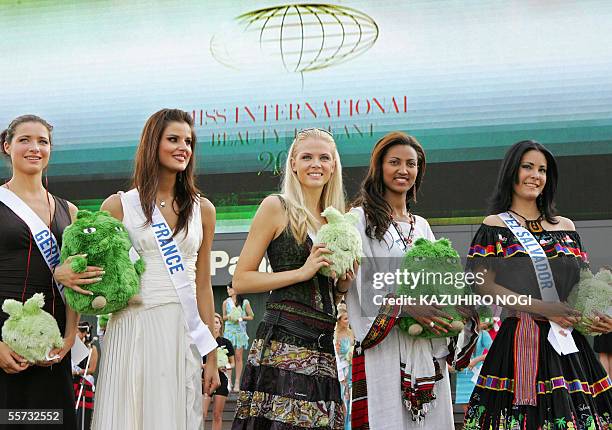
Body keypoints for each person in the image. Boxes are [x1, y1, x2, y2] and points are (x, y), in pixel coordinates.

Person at [463, 140, 612, 429]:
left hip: (569, 345)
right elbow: (482, 284)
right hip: (519, 340)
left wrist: (601, 317)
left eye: (542, 169)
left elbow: (582, 286)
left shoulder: (566, 227)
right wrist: (542, 307)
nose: (536, 175)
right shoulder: (496, 225)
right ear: (512, 172)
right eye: (527, 167)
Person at [92, 109, 219, 430]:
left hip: (182, 331)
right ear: (153, 144)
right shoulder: (119, 206)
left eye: (188, 141)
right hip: (133, 326)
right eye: (173, 139)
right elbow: (99, 275)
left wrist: (212, 356)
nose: (183, 148)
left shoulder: (203, 210)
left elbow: (203, 285)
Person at [345, 131, 478, 429]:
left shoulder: (423, 226)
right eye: (395, 162)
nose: (403, 170)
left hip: (426, 348)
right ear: (379, 167)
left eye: (411, 163)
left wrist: (450, 308)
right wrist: (407, 306)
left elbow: (439, 279)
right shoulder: (359, 219)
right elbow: (360, 282)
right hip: (384, 348)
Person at [231, 128, 353, 429]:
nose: (316, 164)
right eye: (307, 157)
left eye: (324, 158)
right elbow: (242, 279)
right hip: (284, 338)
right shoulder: (276, 207)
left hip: (323, 346)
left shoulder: (334, 218)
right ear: (293, 164)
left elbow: (330, 292)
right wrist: (301, 272)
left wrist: (343, 284)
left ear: (333, 166)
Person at [0, 115, 103, 430]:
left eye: (42, 141)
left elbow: (74, 279)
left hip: (52, 349)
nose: (35, 148)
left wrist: (70, 336)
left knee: (49, 422)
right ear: (7, 146)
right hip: (5, 345)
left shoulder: (69, 210)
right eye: (24, 140)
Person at [203, 313, 235, 430]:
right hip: (205, 379)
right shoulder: (203, 342)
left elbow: (232, 363)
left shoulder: (226, 343)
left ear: (221, 325)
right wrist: (211, 366)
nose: (214, 325)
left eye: (217, 322)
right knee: (202, 414)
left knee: (217, 415)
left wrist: (224, 365)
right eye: (212, 322)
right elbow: (197, 363)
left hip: (222, 379)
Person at [222, 282, 253, 392]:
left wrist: (241, 317)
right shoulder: (226, 302)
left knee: (238, 357)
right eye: (227, 289)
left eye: (229, 288)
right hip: (229, 331)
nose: (228, 291)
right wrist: (230, 317)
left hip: (240, 332)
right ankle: (228, 381)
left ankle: (237, 382)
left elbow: (251, 316)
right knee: (228, 356)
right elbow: (223, 317)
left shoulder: (245, 302)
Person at [73, 321, 99, 430]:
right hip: (72, 383)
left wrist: (77, 372)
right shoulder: (72, 346)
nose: (75, 334)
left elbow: (92, 369)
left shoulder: (92, 349)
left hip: (84, 384)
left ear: (84, 333)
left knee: (81, 414)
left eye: (77, 332)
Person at [335, 309, 354, 430]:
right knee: (344, 398)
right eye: (345, 319)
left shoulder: (351, 332)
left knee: (352, 398)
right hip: (343, 371)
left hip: (352, 369)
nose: (347, 321)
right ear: (339, 320)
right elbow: (337, 357)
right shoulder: (336, 335)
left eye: (348, 318)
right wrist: (341, 375)